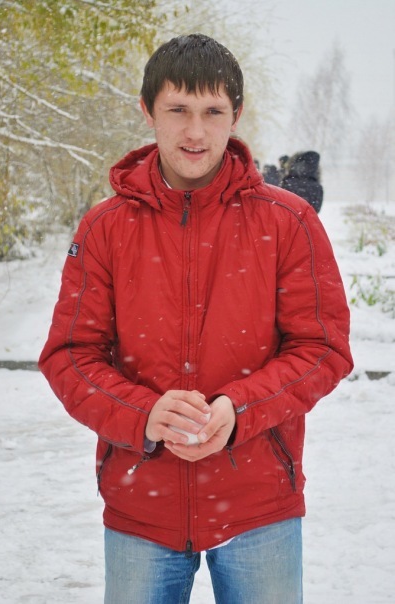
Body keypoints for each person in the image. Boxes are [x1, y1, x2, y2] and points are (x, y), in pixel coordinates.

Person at [39, 34, 353, 604]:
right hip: (142, 505)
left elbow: (323, 349)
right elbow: (70, 356)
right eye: (178, 109)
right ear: (147, 110)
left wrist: (241, 409)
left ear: (237, 114)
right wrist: (143, 414)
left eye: (213, 112)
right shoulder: (105, 228)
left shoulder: (289, 222)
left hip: (259, 505)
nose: (195, 131)